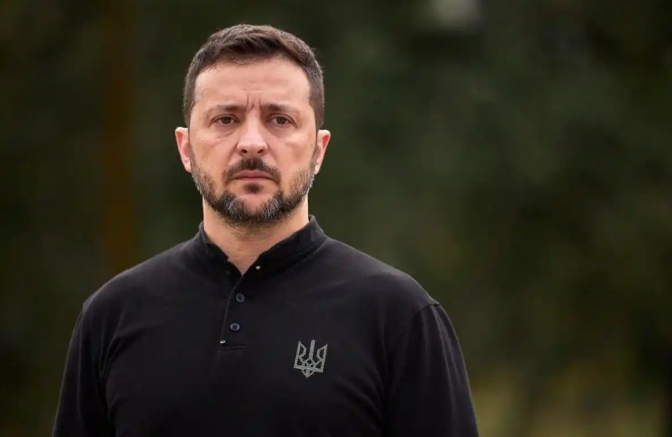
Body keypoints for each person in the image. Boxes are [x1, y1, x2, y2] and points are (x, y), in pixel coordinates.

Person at [52, 24, 479, 437]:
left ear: (318, 150)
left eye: (279, 119)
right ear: (185, 148)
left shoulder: (398, 317)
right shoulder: (112, 316)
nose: (252, 142)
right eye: (225, 119)